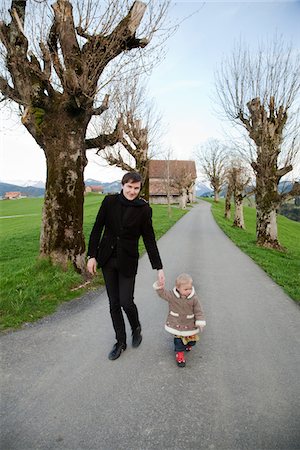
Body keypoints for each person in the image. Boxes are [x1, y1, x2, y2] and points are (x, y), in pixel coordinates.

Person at [87, 172, 165, 361]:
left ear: (139, 189)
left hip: (128, 260)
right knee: (114, 303)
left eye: (136, 188)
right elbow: (97, 227)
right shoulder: (109, 202)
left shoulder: (144, 209)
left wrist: (159, 267)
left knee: (126, 302)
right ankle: (120, 341)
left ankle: (136, 326)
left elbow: (149, 239)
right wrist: (92, 255)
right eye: (129, 187)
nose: (132, 191)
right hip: (107, 258)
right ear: (122, 185)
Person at [153, 273, 206, 367]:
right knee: (178, 341)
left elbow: (199, 311)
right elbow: (162, 294)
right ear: (178, 288)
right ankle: (180, 354)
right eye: (186, 289)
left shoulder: (194, 298)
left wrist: (200, 321)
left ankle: (188, 344)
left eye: (190, 288)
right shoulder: (172, 296)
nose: (188, 291)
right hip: (176, 323)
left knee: (191, 341)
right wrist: (159, 286)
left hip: (189, 323)